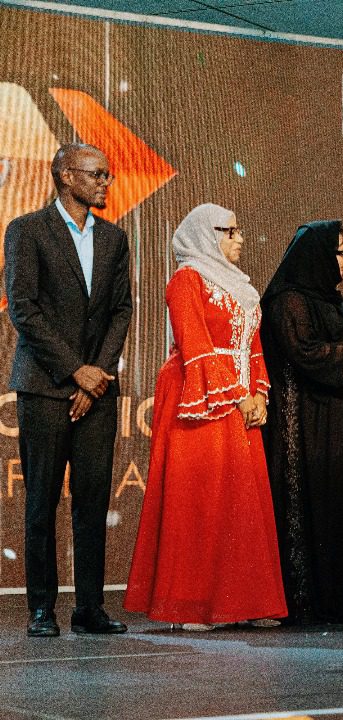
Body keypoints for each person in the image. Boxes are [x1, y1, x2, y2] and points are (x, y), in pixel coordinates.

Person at [125, 204, 287, 630]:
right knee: (201, 498)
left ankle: (245, 602)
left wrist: (258, 393)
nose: (239, 238)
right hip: (198, 395)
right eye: (229, 231)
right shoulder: (186, 279)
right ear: (205, 235)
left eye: (238, 230)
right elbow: (195, 344)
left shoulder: (240, 286)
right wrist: (238, 396)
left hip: (239, 396)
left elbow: (251, 345)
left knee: (241, 499)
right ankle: (193, 604)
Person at [4, 143, 132, 637]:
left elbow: (121, 310)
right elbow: (24, 309)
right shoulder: (27, 230)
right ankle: (42, 609)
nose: (105, 182)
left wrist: (95, 375)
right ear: (65, 176)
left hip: (97, 391)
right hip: (44, 386)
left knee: (92, 502)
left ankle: (90, 608)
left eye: (107, 174)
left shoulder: (114, 238)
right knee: (41, 502)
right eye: (96, 174)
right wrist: (75, 371)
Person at [261, 220, 343, 624]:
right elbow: (304, 351)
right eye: (341, 252)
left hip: (339, 418)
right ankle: (309, 601)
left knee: (342, 502)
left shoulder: (332, 299)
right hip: (306, 421)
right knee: (310, 504)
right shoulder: (288, 300)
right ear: (318, 256)